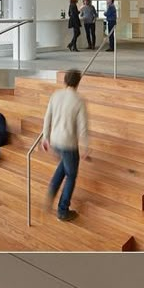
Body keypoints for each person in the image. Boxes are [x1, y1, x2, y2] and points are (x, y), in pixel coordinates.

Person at [42, 68, 89, 222]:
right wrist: (85, 147)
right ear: (78, 82)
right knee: (71, 175)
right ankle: (63, 210)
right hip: (69, 144)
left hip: (55, 141)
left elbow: (47, 117)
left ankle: (51, 191)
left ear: (65, 80)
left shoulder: (56, 95)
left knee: (64, 166)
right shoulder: (79, 100)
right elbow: (83, 128)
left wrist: (45, 137)